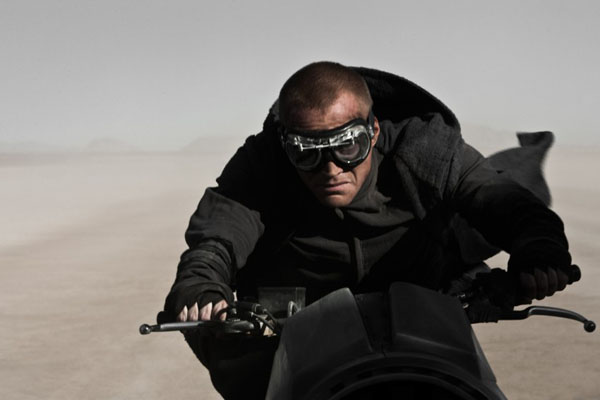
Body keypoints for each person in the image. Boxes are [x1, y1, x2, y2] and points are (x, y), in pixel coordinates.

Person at [161, 62, 578, 399]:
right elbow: (218, 234)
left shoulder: (423, 147)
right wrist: (201, 286)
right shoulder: (263, 163)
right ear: (286, 145)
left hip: (424, 292)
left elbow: (500, 199)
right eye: (307, 154)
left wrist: (539, 250)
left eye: (347, 147)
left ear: (373, 132)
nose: (330, 170)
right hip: (301, 320)